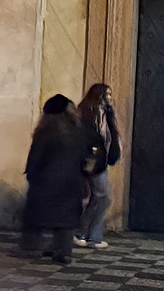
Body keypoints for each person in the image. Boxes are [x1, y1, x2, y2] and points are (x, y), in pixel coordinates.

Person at [20, 94, 90, 265]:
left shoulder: (45, 132)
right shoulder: (79, 132)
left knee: (35, 219)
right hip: (71, 184)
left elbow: (35, 158)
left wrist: (31, 175)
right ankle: (64, 251)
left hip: (45, 183)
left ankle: (31, 248)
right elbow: (85, 159)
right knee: (65, 223)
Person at [74, 82, 121, 250]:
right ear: (98, 96)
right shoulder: (89, 112)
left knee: (98, 197)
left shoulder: (105, 113)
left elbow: (110, 136)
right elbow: (93, 137)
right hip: (93, 161)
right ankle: (80, 231)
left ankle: (94, 236)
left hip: (101, 160)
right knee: (104, 197)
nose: (109, 98)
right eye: (106, 95)